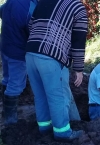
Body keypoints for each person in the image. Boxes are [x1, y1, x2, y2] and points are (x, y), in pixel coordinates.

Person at [25, 0, 88, 142]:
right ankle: (62, 132)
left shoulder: (43, 2)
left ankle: (44, 128)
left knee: (40, 95)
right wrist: (78, 69)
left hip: (30, 53)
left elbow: (30, 25)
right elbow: (79, 40)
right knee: (57, 96)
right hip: (50, 57)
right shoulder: (78, 7)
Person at [0, 0, 37, 125]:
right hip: (18, 52)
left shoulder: (11, 1)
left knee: (7, 77)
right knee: (15, 84)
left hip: (5, 46)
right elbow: (33, 32)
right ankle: (11, 121)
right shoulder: (30, 8)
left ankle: (5, 110)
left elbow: (1, 11)